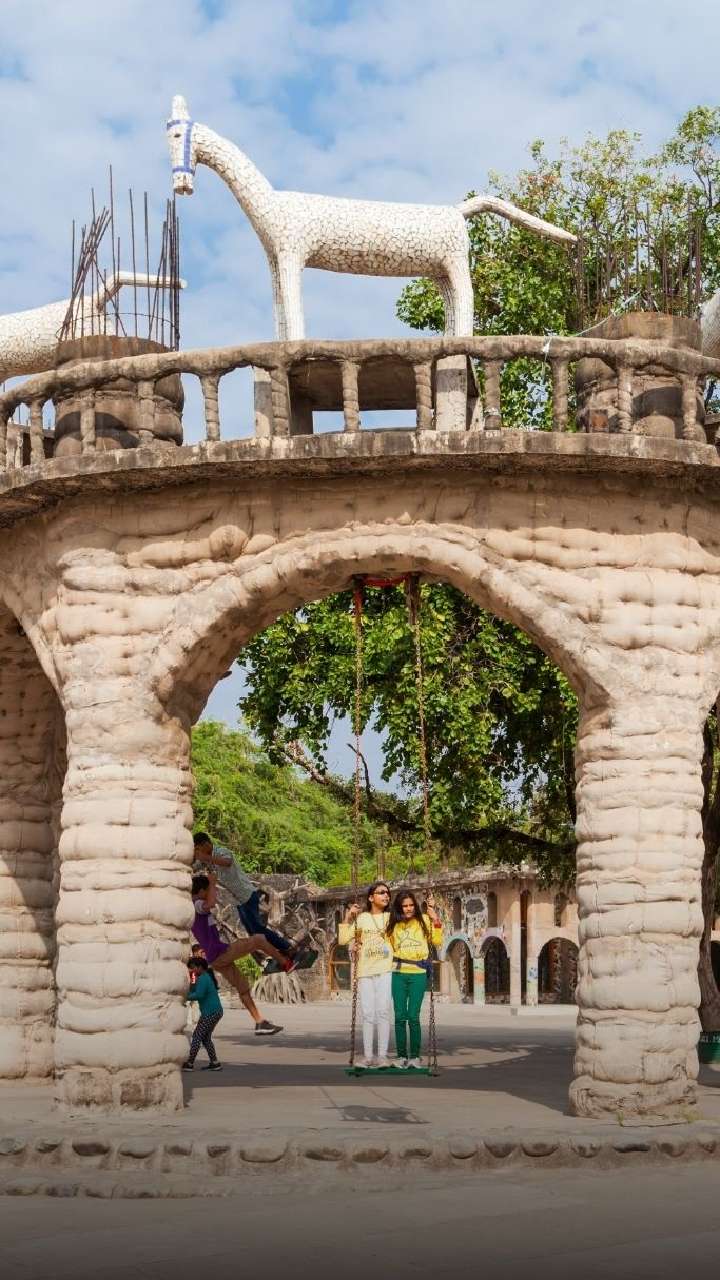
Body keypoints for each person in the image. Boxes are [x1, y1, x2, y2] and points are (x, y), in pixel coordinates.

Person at [192, 832, 317, 973]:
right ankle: (283, 952)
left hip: (247, 895)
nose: (199, 852)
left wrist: (206, 858)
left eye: (199, 849)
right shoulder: (209, 861)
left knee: (258, 930)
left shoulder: (221, 851)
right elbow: (196, 865)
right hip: (238, 900)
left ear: (205, 844)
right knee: (254, 933)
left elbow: (227, 862)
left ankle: (288, 948)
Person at [191, 871, 285, 1036]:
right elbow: (210, 903)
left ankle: (260, 1022)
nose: (214, 892)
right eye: (210, 890)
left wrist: (211, 884)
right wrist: (212, 881)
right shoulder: (197, 904)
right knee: (259, 939)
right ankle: (286, 963)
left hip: (216, 958)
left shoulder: (195, 906)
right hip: (220, 953)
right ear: (201, 891)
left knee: (243, 988)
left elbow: (210, 901)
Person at [339, 881, 393, 1069]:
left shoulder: (391, 917)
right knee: (368, 1014)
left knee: (383, 1012)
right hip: (365, 970)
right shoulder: (362, 918)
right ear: (371, 897)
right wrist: (348, 916)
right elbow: (343, 939)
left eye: (387, 892)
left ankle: (382, 1056)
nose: (386, 895)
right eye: (381, 892)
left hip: (385, 969)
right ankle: (368, 1057)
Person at [387, 889, 442, 1068]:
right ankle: (401, 1056)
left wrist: (435, 919)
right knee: (399, 1016)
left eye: (411, 905)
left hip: (418, 973)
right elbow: (386, 947)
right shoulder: (393, 925)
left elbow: (437, 941)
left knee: (413, 1016)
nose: (409, 908)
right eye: (405, 906)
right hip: (398, 973)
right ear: (399, 907)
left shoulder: (424, 920)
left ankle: (415, 1057)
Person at [183, 956, 224, 1071]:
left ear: (200, 967)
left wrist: (184, 997)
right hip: (215, 1011)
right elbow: (194, 989)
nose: (192, 970)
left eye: (193, 968)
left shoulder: (203, 979)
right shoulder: (203, 977)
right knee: (205, 1038)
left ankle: (190, 1063)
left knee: (197, 1036)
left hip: (210, 1012)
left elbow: (198, 995)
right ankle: (215, 1063)